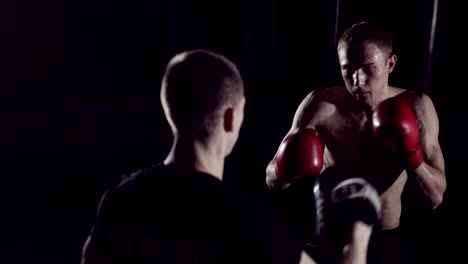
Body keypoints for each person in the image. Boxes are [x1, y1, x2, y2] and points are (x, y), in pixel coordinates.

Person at [81, 49, 318, 264]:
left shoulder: (119, 200)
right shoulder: (247, 220)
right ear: (230, 118)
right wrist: (356, 231)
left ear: (169, 111)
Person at [265, 22, 447, 264]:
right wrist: (286, 167)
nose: (357, 80)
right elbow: (271, 180)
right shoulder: (320, 106)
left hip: (383, 241)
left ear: (390, 64)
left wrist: (412, 154)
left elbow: (436, 197)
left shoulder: (417, 108)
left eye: (368, 68)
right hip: (326, 238)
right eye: (347, 69)